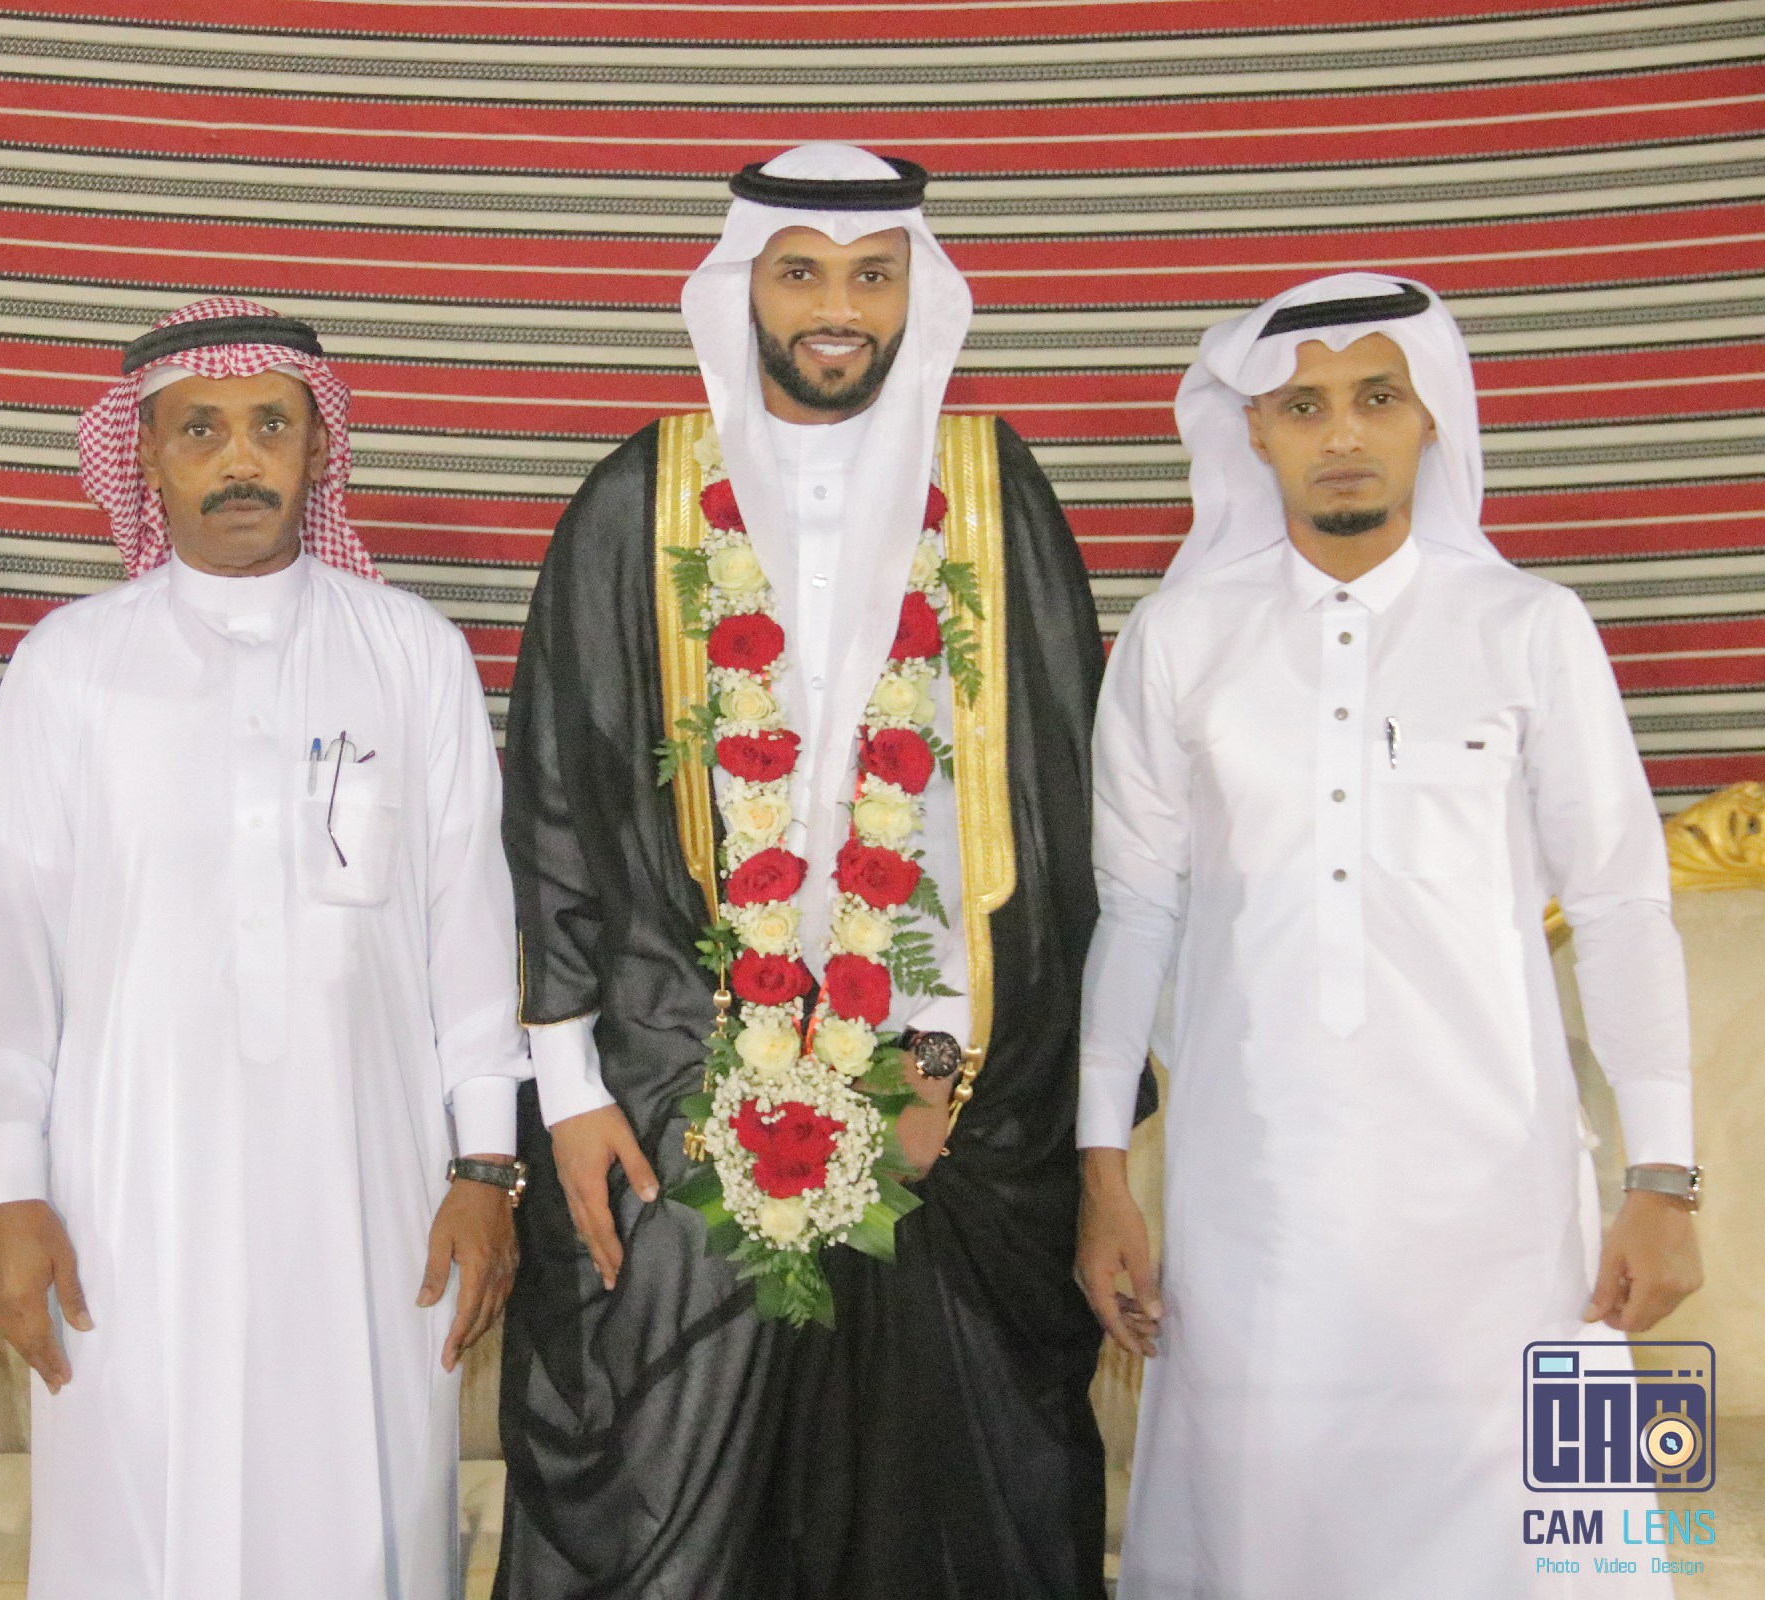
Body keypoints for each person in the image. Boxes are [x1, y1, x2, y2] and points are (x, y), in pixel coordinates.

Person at [498, 144, 1111, 1599]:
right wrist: (569, 1093)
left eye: (873, 276)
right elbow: (556, 803)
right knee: (660, 1484)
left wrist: (939, 1063)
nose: (839, 308)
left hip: (945, 1094)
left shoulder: (993, 494)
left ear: (915, 295)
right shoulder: (641, 499)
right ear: (745, 289)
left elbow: (1044, 822)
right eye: (803, 273)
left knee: (950, 1499)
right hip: (674, 1072)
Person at [1076, 274, 1704, 1598]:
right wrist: (1102, 1171)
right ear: (1256, 431)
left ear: (1433, 419)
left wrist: (1664, 1181)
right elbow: (1135, 911)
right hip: (1258, 1198)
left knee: (1552, 1541)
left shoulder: (1533, 628)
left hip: (1506, 1202)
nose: (1344, 432)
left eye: (1377, 397)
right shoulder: (1179, 640)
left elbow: (1620, 906)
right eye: (1305, 406)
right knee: (1263, 1532)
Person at [0, 296, 532, 1599]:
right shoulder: (70, 666)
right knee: (138, 1504)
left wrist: (486, 1168)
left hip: (373, 1182)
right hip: (125, 1186)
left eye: (271, 425)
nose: (239, 459)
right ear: (147, 458)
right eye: (200, 429)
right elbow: (13, 951)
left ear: (319, 450)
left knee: (359, 1499)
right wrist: (10, 1192)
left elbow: (470, 927)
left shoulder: (413, 653)